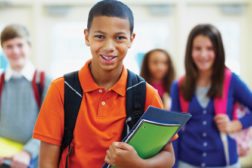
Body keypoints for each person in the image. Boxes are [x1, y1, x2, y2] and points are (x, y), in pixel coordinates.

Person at [33, 0, 177, 168]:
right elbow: (46, 163)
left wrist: (137, 163)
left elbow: (168, 156)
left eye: (119, 38)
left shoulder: (146, 93)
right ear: (87, 37)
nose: (109, 47)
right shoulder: (62, 90)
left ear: (131, 39)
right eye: (100, 36)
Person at [171, 24, 252, 168]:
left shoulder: (231, 80)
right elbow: (174, 131)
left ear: (218, 51)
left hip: (225, 162)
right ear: (190, 51)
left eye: (210, 48)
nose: (203, 55)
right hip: (187, 162)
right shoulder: (179, 86)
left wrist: (235, 125)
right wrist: (174, 165)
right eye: (197, 48)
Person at [0, 24, 51, 168]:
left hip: (33, 160)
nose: (15, 51)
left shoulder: (45, 82)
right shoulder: (0, 82)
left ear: (29, 47)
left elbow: (50, 127)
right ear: (3, 50)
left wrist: (27, 152)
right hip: (3, 159)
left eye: (20, 45)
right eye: (9, 46)